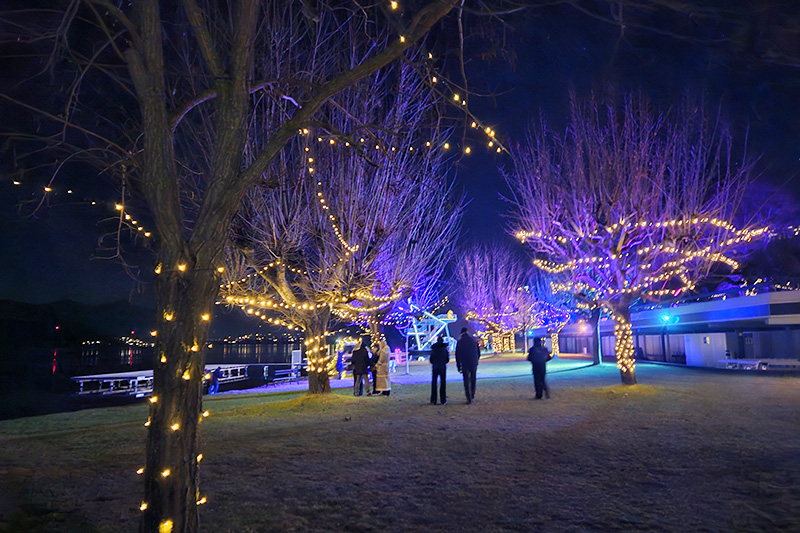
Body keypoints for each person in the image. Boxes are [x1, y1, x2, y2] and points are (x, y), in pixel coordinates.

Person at [455, 327, 480, 404]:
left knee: (466, 380)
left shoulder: (460, 342)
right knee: (473, 379)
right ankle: (472, 395)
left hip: (465, 363)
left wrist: (459, 365)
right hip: (473, 362)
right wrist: (476, 360)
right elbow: (478, 352)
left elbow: (458, 355)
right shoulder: (473, 341)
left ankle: (468, 397)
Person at [429, 334, 449, 405]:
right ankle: (443, 400)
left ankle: (433, 400)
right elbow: (447, 360)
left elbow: (431, 360)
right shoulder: (444, 350)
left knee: (434, 384)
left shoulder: (434, 349)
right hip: (442, 368)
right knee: (443, 384)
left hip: (435, 367)